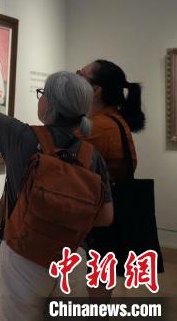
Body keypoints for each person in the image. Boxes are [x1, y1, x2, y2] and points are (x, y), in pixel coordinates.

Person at [0, 69, 114, 321]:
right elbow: (106, 216)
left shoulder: (22, 136)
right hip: (71, 260)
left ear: (50, 105)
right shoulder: (91, 155)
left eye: (42, 94)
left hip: (23, 257)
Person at [77, 60, 146, 298]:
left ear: (96, 90)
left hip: (99, 220)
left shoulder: (99, 127)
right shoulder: (112, 119)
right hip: (111, 215)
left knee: (95, 291)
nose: (76, 77)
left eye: (81, 74)